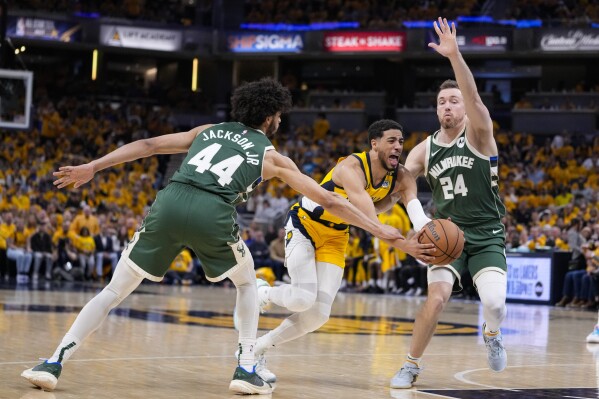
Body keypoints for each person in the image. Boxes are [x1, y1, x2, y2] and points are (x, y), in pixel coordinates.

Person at [21, 77, 407, 395]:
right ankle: (245, 367)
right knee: (246, 285)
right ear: (272, 117)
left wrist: (94, 165)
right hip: (212, 213)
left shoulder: (208, 131)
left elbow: (150, 146)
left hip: (170, 201)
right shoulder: (272, 156)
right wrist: (380, 229)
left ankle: (52, 362)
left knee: (113, 291)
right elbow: (325, 198)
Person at [246, 119, 437, 384]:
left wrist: (429, 236)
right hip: (305, 225)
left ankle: (257, 349)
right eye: (391, 141)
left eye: (401, 142)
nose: (398, 147)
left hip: (336, 237)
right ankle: (262, 292)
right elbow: (369, 220)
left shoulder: (402, 176)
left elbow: (417, 213)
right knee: (302, 298)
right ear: (374, 144)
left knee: (319, 313)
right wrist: (406, 245)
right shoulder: (351, 167)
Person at [390, 18, 508, 389]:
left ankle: (491, 333)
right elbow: (400, 183)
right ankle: (411, 364)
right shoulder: (424, 149)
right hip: (447, 235)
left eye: (453, 100)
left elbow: (473, 98)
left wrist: (454, 55)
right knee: (436, 299)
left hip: (487, 233)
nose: (448, 106)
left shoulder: (480, 133)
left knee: (496, 304)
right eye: (442, 101)